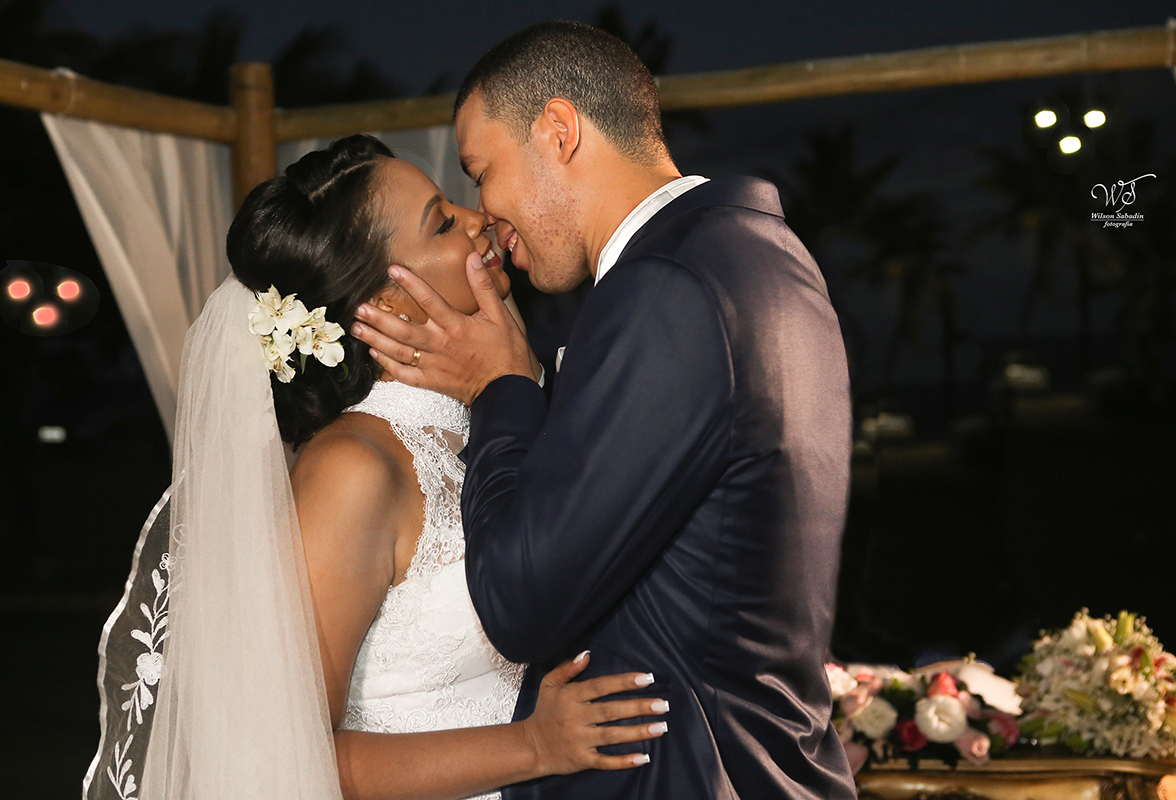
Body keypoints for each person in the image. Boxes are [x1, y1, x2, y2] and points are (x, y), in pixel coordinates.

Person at [350, 21, 858, 800]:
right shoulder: (760, 255)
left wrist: (503, 388)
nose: (486, 212)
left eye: (482, 173)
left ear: (557, 131)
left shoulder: (665, 290)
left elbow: (520, 605)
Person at [83, 134, 667, 800]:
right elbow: (282, 750)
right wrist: (533, 745)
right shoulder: (352, 470)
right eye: (444, 222)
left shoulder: (491, 423)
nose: (478, 221)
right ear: (383, 304)